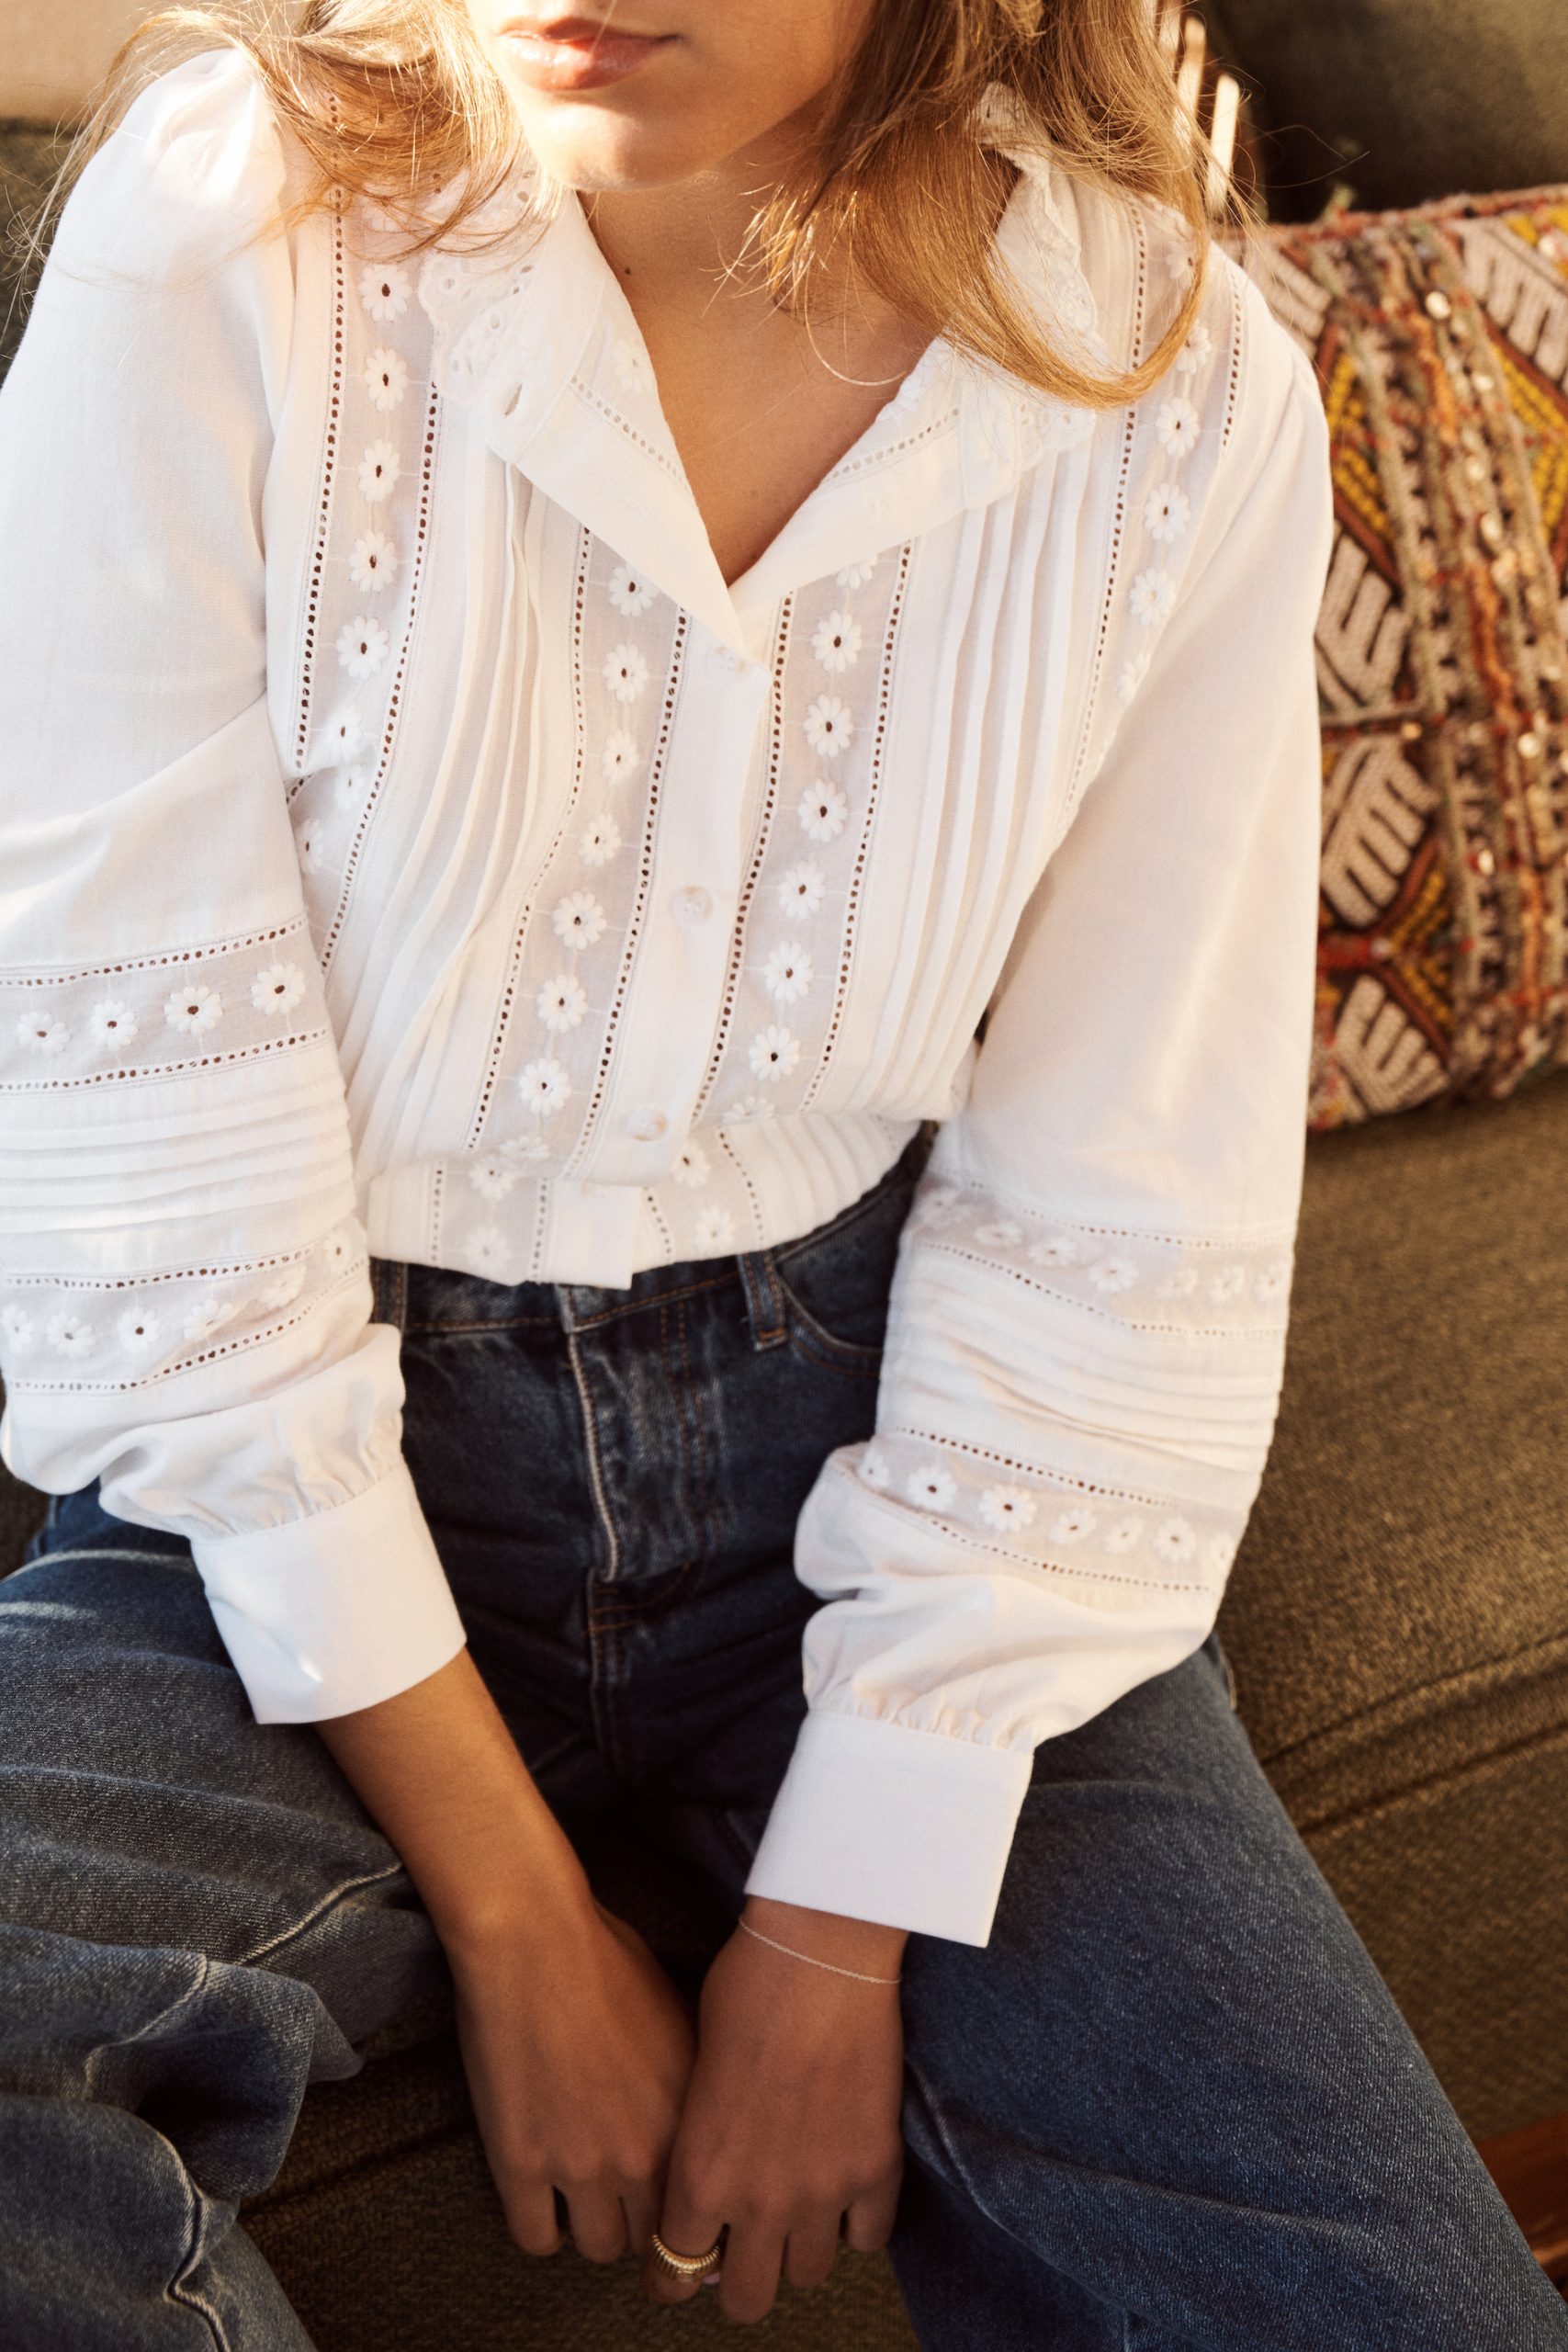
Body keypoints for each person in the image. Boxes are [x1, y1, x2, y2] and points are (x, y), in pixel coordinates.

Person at [0, 4, 1561, 2346]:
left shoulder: (1166, 383)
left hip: (873, 1464)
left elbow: (1118, 1202)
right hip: (272, 1485)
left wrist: (837, 1927)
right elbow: (156, 1173)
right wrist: (520, 1914)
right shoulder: (224, 232)